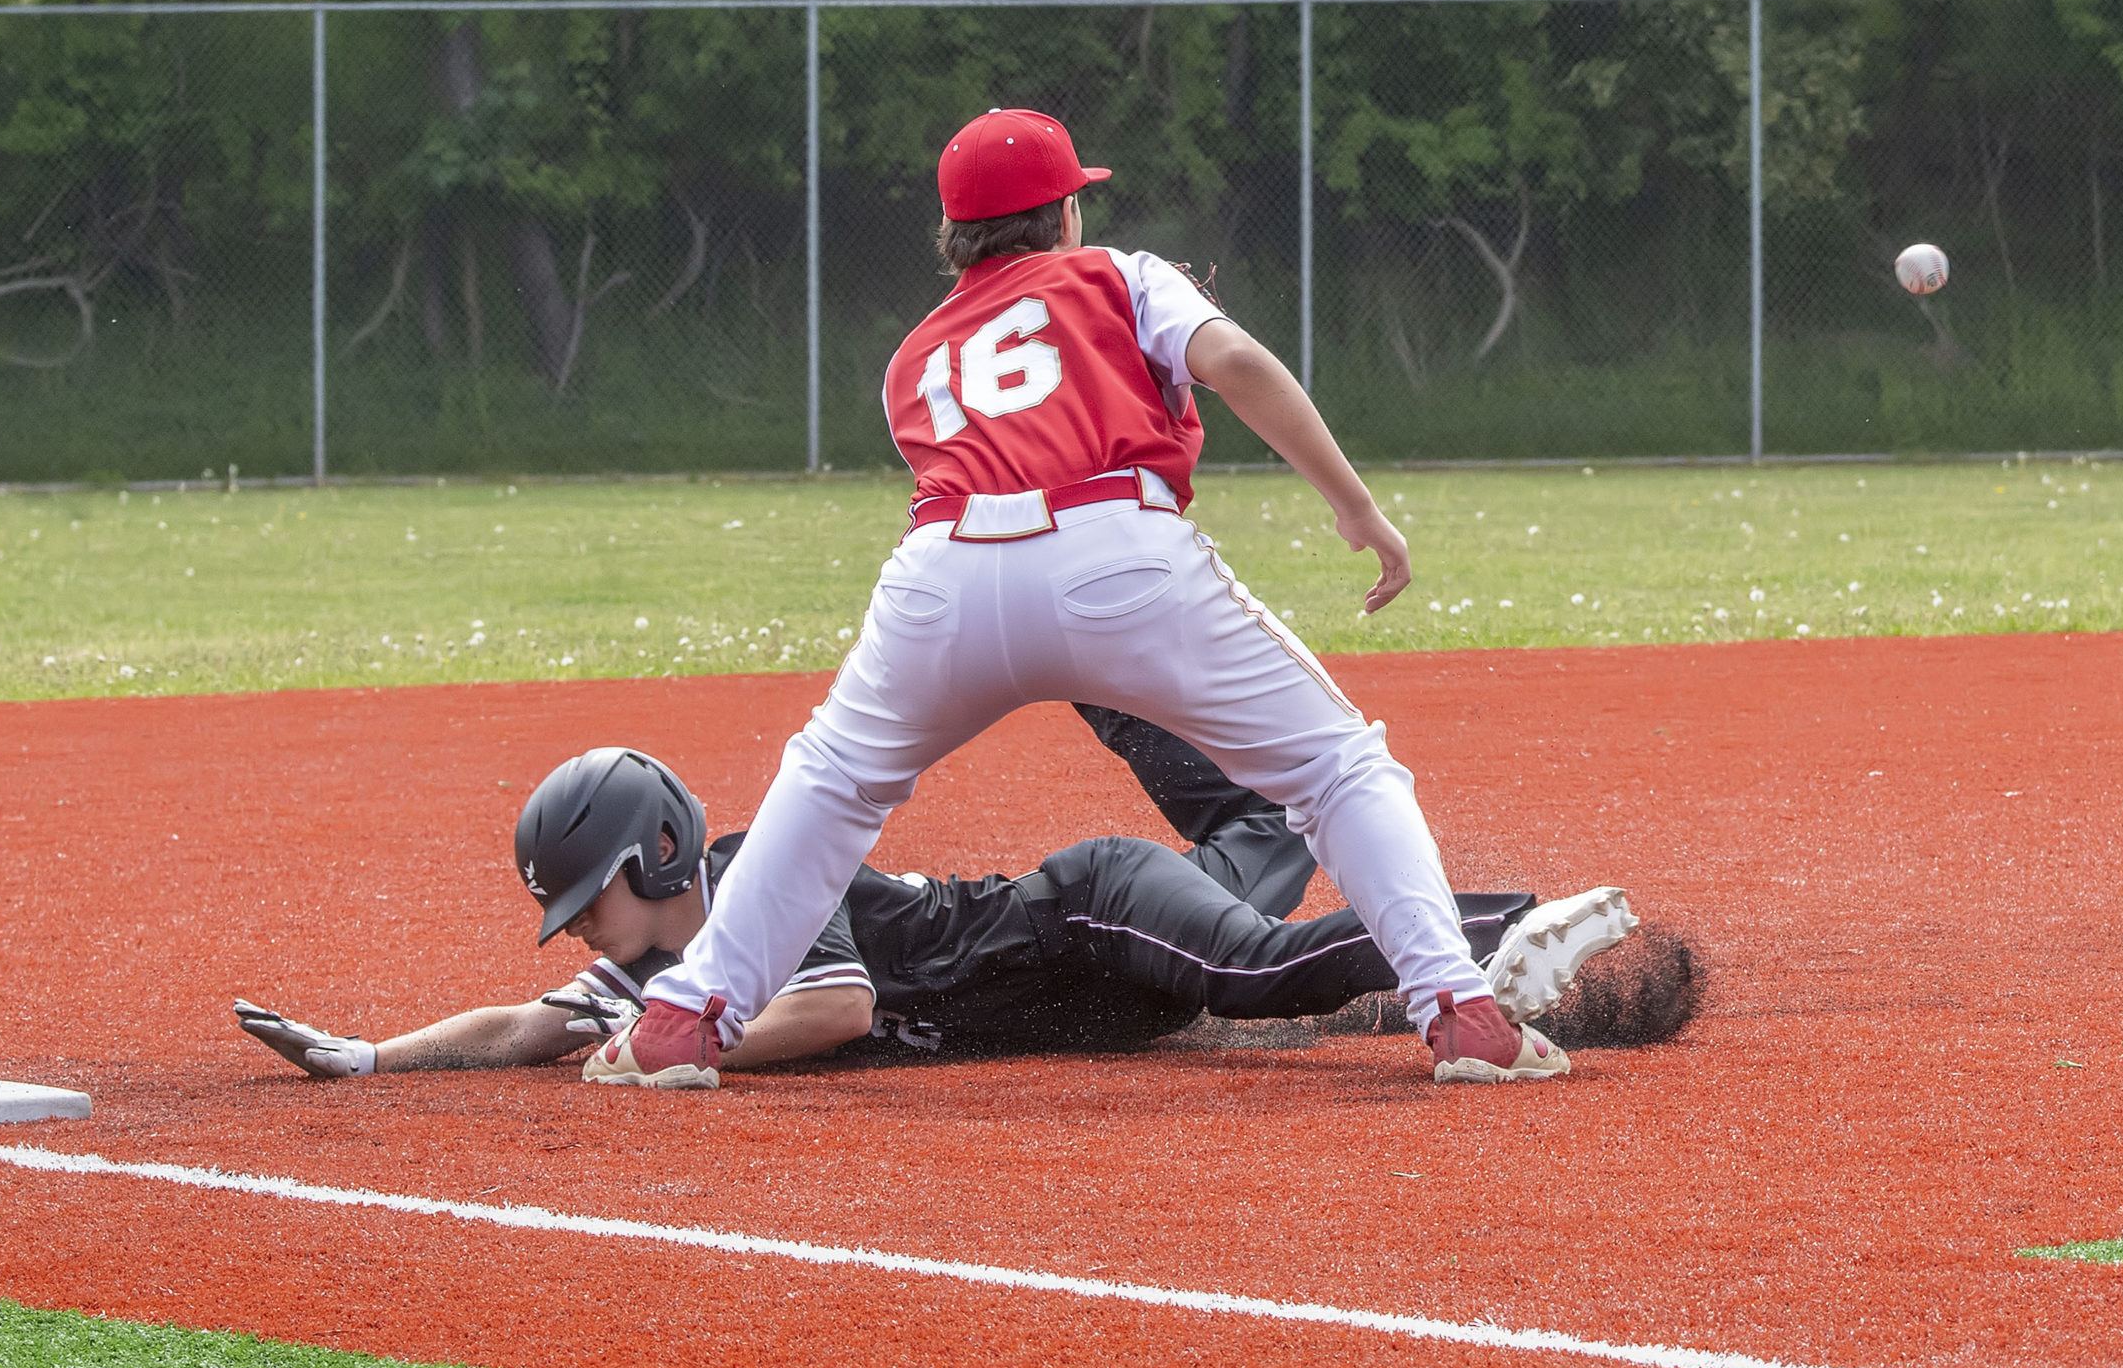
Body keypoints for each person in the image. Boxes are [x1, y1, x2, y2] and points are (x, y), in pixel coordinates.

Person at [603, 108, 1546, 1091]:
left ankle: (681, 1019)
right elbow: (1236, 364)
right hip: (1116, 552)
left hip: (945, 572)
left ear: (955, 237)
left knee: (831, 783)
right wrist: (1353, 507)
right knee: (1337, 766)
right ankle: (1457, 1007)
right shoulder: (1122, 272)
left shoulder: (912, 357)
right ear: (1063, 217)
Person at [235, 709, 1671, 1081]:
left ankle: (1495, 938)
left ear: (658, 861)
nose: (581, 941)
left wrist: (678, 1048)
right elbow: (520, 1028)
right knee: (1248, 844)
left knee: (1257, 966)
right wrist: (367, 1054)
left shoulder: (749, 875)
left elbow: (840, 1003)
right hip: (1104, 992)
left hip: (1082, 915)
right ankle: (1124, 678)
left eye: (587, 905)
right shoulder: (666, 962)